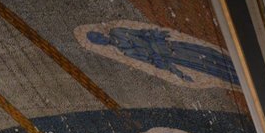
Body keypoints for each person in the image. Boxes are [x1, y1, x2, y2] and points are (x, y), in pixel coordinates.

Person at [86, 26, 239, 86]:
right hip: (169, 57)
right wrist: (178, 73)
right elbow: (153, 61)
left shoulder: (117, 32)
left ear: (100, 33)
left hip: (166, 47)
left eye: (97, 37)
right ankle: (233, 73)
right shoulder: (125, 52)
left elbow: (141, 32)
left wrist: (155, 34)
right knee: (199, 64)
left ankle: (231, 61)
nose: (100, 40)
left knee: (199, 53)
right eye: (97, 41)